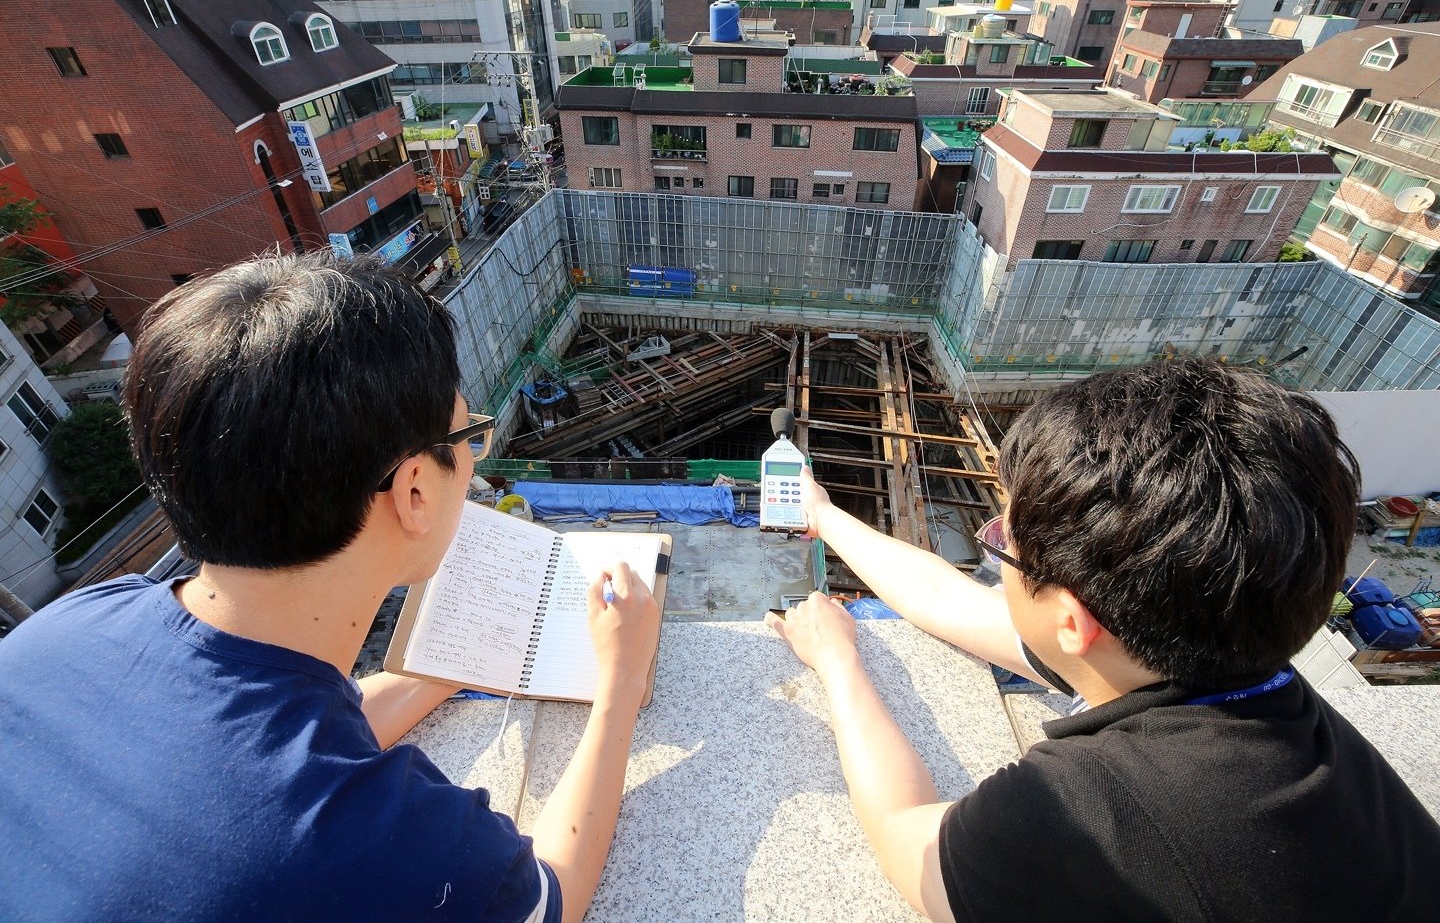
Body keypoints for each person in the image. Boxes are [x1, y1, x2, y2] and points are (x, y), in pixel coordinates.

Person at [0, 252, 660, 923]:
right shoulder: (375, 842)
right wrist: (620, 685)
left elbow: (263, 744)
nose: (471, 465)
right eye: (470, 436)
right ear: (413, 491)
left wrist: (453, 664)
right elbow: (551, 892)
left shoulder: (66, 625)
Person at [766, 357, 1439, 922]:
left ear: (1072, 622)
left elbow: (902, 838)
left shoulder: (1088, 814)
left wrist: (838, 661)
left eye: (1001, 542)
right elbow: (947, 600)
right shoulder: (1243, 676)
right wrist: (827, 518)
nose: (995, 552)